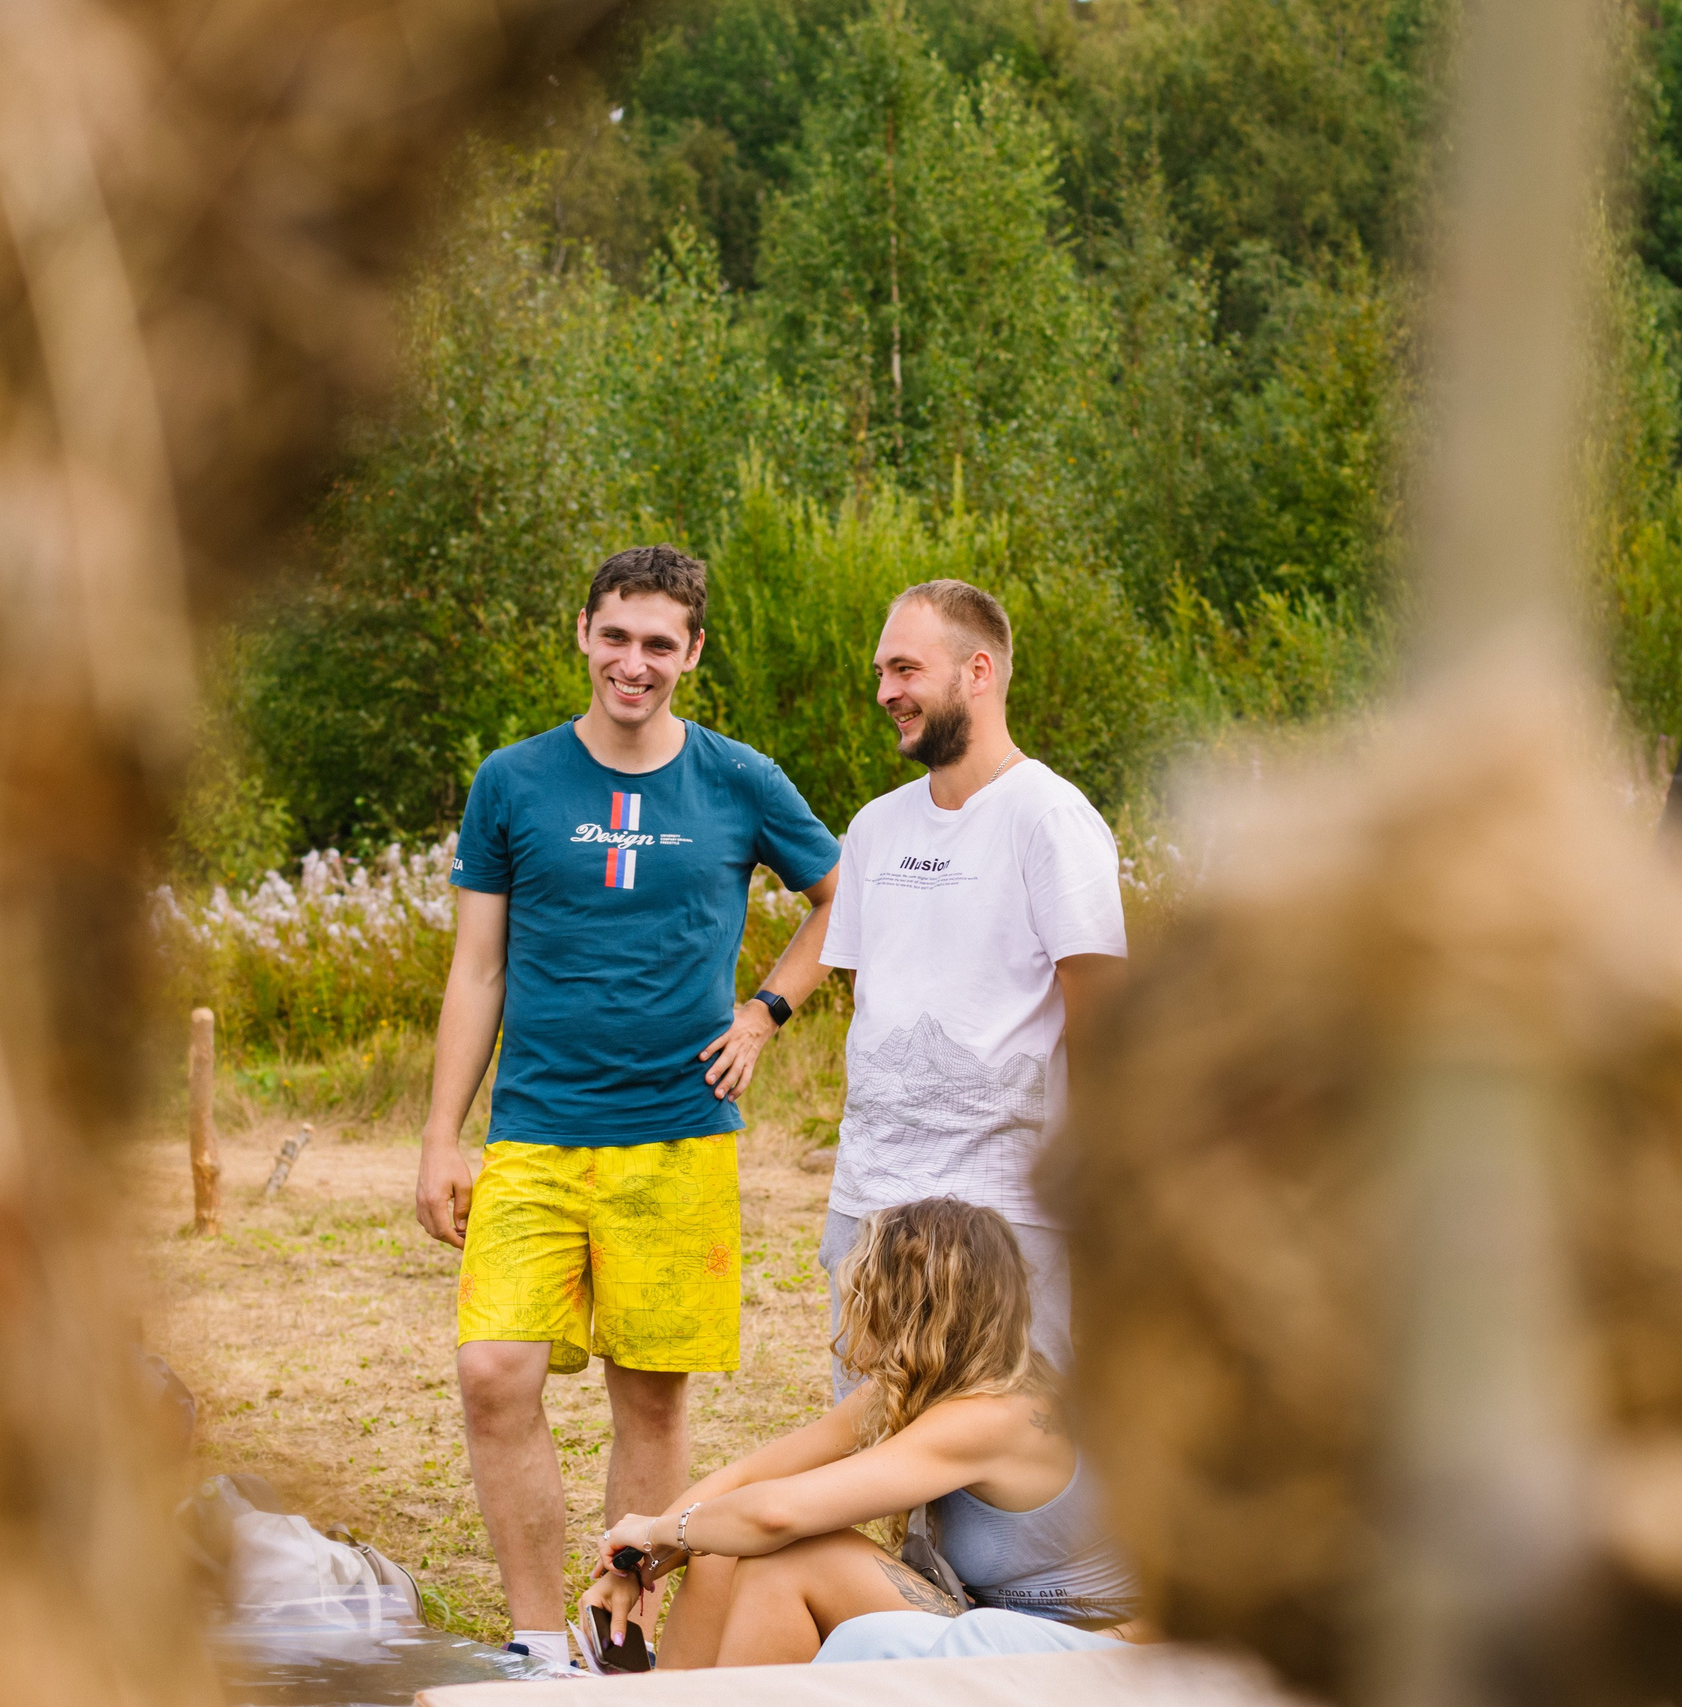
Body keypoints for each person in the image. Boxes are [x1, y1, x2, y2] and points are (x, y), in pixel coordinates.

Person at [416, 544, 843, 1671]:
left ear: (693, 652)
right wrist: (440, 1136)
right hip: (534, 1131)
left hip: (678, 1137)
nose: (634, 662)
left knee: (649, 1404)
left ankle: (618, 1638)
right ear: (583, 633)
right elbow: (477, 970)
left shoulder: (740, 779)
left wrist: (765, 1012)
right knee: (492, 1372)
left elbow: (842, 900)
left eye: (659, 643)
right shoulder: (513, 780)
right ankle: (533, 1643)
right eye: (616, 636)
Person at [577, 1198, 1140, 1669]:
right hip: (1004, 1631)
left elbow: (775, 1514)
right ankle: (666, 1695)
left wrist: (657, 1530)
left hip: (1086, 1653)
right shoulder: (934, 1386)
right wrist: (636, 1563)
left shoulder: (993, 1415)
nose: (852, 1313)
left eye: (863, 1294)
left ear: (906, 1310)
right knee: (723, 1538)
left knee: (783, 1557)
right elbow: (750, 1478)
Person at [816, 580, 1127, 1385]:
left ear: (978, 671)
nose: (885, 692)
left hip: (1006, 1216)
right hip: (869, 1208)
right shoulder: (875, 827)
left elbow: (1101, 1020)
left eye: (906, 669)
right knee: (867, 1446)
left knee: (1009, 1449)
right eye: (882, 673)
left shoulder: (1049, 818)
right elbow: (879, 1004)